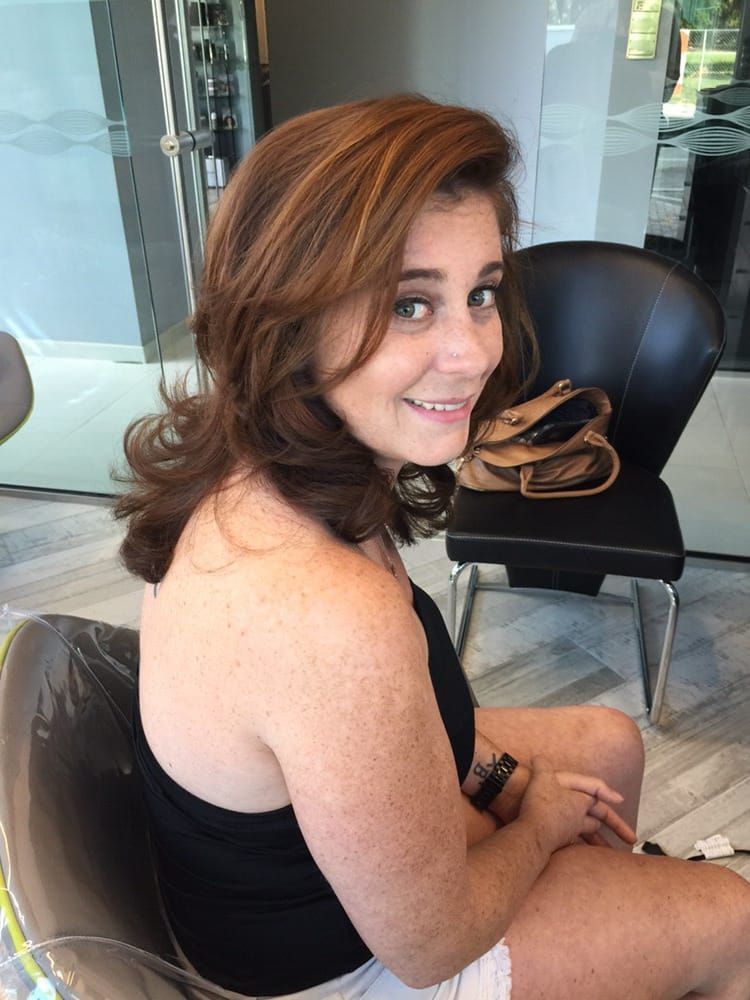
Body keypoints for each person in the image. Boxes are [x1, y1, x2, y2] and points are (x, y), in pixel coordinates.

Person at [116, 95, 750, 999]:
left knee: (609, 742)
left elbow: (381, 731)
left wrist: (494, 777)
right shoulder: (325, 612)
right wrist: (534, 826)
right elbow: (430, 944)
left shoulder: (277, 468)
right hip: (336, 969)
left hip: (302, 882)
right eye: (411, 304)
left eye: (481, 293)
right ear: (285, 315)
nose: (473, 351)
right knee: (732, 915)